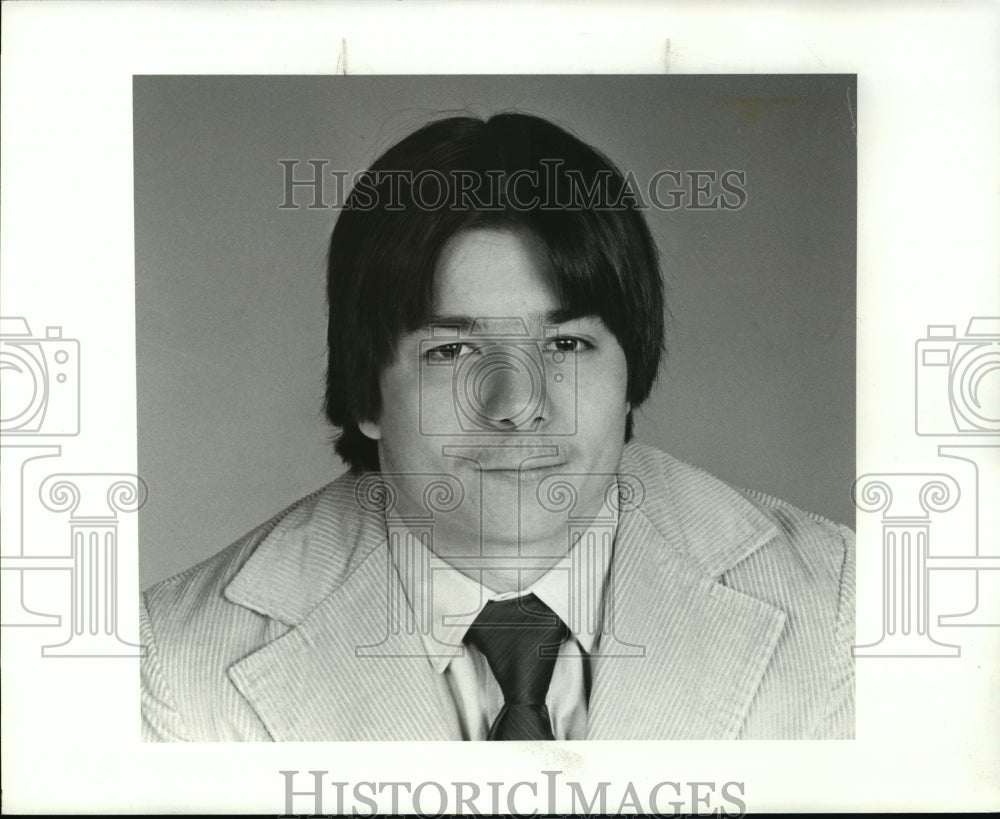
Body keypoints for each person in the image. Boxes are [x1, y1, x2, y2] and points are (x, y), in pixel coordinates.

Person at [140, 112, 855, 741]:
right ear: (366, 391)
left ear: (629, 372)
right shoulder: (171, 663)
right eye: (451, 350)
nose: (516, 404)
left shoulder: (842, 609)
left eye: (566, 345)